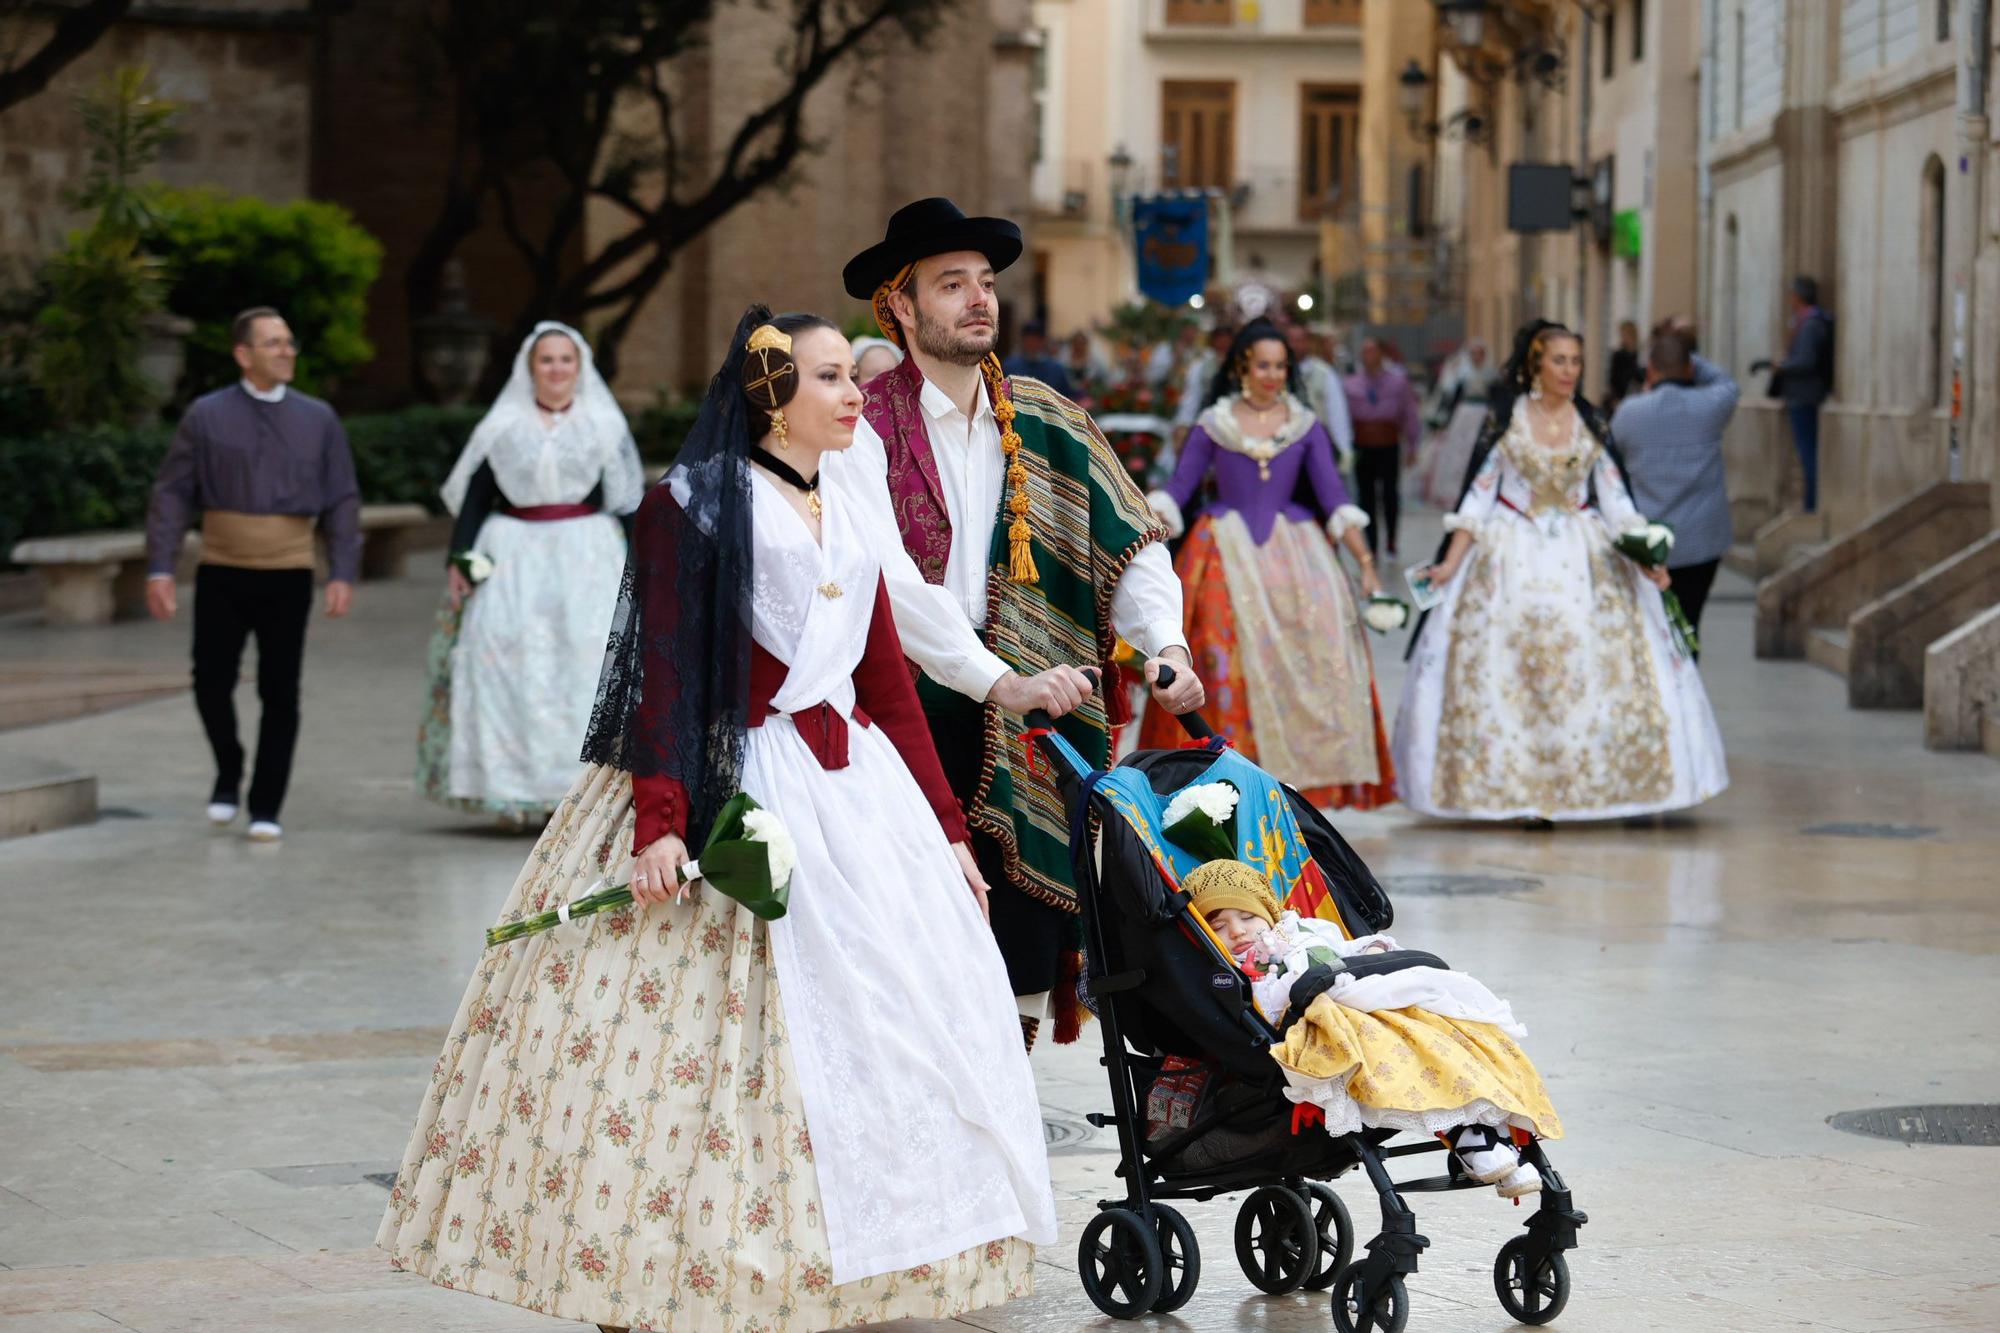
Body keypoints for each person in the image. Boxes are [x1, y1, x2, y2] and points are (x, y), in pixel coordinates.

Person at [378, 307, 1057, 1332]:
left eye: (849, 378)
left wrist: (948, 831)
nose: (850, 395)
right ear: (769, 398)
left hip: (855, 791)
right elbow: (665, 677)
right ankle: (674, 1265)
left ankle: (878, 1254)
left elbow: (885, 684)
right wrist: (662, 821)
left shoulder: (854, 505)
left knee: (893, 1015)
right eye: (829, 378)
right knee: (699, 1044)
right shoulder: (691, 506)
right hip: (728, 778)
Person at [829, 196, 1205, 1049]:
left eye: (986, 283)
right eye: (951, 283)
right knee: (910, 908)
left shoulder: (1045, 417)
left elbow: (1131, 534)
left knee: (1031, 924)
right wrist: (1000, 680)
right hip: (905, 704)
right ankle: (918, 1090)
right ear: (899, 304)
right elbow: (888, 583)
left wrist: (1167, 645)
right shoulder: (862, 425)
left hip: (1042, 701)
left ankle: (1008, 1087)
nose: (978, 299)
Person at [1393, 320, 1729, 822]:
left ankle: (1583, 787)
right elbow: (1478, 500)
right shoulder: (1506, 420)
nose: (1569, 371)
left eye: (1575, 361)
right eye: (1559, 361)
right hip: (1508, 555)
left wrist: (1647, 559)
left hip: (1583, 554)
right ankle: (1518, 790)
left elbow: (1617, 504)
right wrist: (1449, 564)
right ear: (1536, 364)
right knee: (1509, 670)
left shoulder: (1591, 422)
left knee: (1588, 666)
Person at [1138, 318, 1396, 811]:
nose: (1273, 375)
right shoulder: (1214, 424)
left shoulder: (1304, 426)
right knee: (1216, 657)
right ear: (1241, 367)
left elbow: (1336, 500)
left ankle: (1299, 780)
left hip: (1299, 558)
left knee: (1316, 658)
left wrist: (1365, 562)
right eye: (1263, 365)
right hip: (1222, 555)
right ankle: (1222, 778)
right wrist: (1135, 530)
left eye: (1281, 366)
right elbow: (1178, 492)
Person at [1188, 860, 1555, 1198]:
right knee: (1396, 1052)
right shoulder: (1233, 973)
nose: (1236, 931)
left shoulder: (1305, 929)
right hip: (1330, 1018)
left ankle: (1496, 1134)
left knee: (1445, 1032)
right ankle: (1470, 1139)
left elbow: (1345, 948)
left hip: (1370, 995)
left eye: (1246, 917)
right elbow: (1269, 1009)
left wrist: (1373, 947)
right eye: (1218, 926)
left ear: (1268, 912)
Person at [145, 306, 358, 843]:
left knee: (279, 689)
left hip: (288, 571)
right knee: (209, 682)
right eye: (273, 343)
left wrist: (343, 570)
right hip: (222, 567)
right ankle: (228, 767)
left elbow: (341, 497)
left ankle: (266, 802)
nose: (287, 351)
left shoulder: (319, 419)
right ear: (244, 354)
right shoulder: (206, 415)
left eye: (289, 341)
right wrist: (160, 566)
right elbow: (172, 491)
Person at [417, 323, 645, 824]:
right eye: (547, 360)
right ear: (529, 367)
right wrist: (460, 558)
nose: (557, 369)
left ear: (580, 367)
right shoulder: (501, 426)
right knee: (508, 662)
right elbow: (475, 498)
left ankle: (579, 795)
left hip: (586, 554)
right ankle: (513, 792)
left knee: (584, 665)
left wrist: (644, 564)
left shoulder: (603, 425)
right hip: (512, 555)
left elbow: (628, 502)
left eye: (567, 359)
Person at [1610, 327, 1740, 641]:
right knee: (1689, 623)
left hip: (1650, 540)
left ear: (1651, 369)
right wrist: (1685, 353)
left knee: (1653, 631)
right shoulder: (1710, 405)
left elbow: (1611, 466)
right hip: (1701, 540)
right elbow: (1726, 382)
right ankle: (1687, 678)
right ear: (1690, 369)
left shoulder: (1629, 413)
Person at [1343, 335, 1423, 560]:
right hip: (1363, 445)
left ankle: (1391, 539)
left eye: (1373, 351)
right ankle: (1372, 543)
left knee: (1389, 494)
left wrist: (1413, 446)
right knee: (1365, 496)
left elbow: (1409, 414)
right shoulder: (1350, 384)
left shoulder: (1397, 382)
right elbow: (1344, 419)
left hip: (1388, 444)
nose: (1369, 356)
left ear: (1381, 354)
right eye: (1365, 351)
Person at [1762, 275, 1835, 513]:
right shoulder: (1804, 321)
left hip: (1805, 395)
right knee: (1806, 451)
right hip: (1802, 394)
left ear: (1797, 296)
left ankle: (1811, 504)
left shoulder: (1811, 323)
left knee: (1808, 452)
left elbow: (1805, 360)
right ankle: (1809, 501)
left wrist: (1782, 366)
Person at [1415, 339, 1497, 507]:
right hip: (1464, 416)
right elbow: (1451, 397)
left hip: (1483, 415)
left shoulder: (1491, 374)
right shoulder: (1462, 373)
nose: (1476, 358)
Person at [1286, 323, 1355, 470]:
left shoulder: (1324, 373)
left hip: (1316, 449)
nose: (1295, 345)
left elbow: (1337, 414)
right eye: (1291, 340)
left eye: (1299, 340)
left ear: (1307, 342)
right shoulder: (1278, 373)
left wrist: (1344, 450)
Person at [1000, 318, 1073, 398]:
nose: (1033, 343)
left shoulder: (1056, 370)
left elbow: (1067, 396)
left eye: (1037, 339)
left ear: (1043, 340)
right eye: (1029, 339)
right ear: (1023, 340)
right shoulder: (1010, 366)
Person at [1606, 318, 1642, 409]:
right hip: (1620, 396)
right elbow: (1613, 378)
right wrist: (1614, 397)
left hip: (1636, 395)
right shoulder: (1618, 355)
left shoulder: (1639, 354)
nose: (1623, 337)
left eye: (1626, 334)